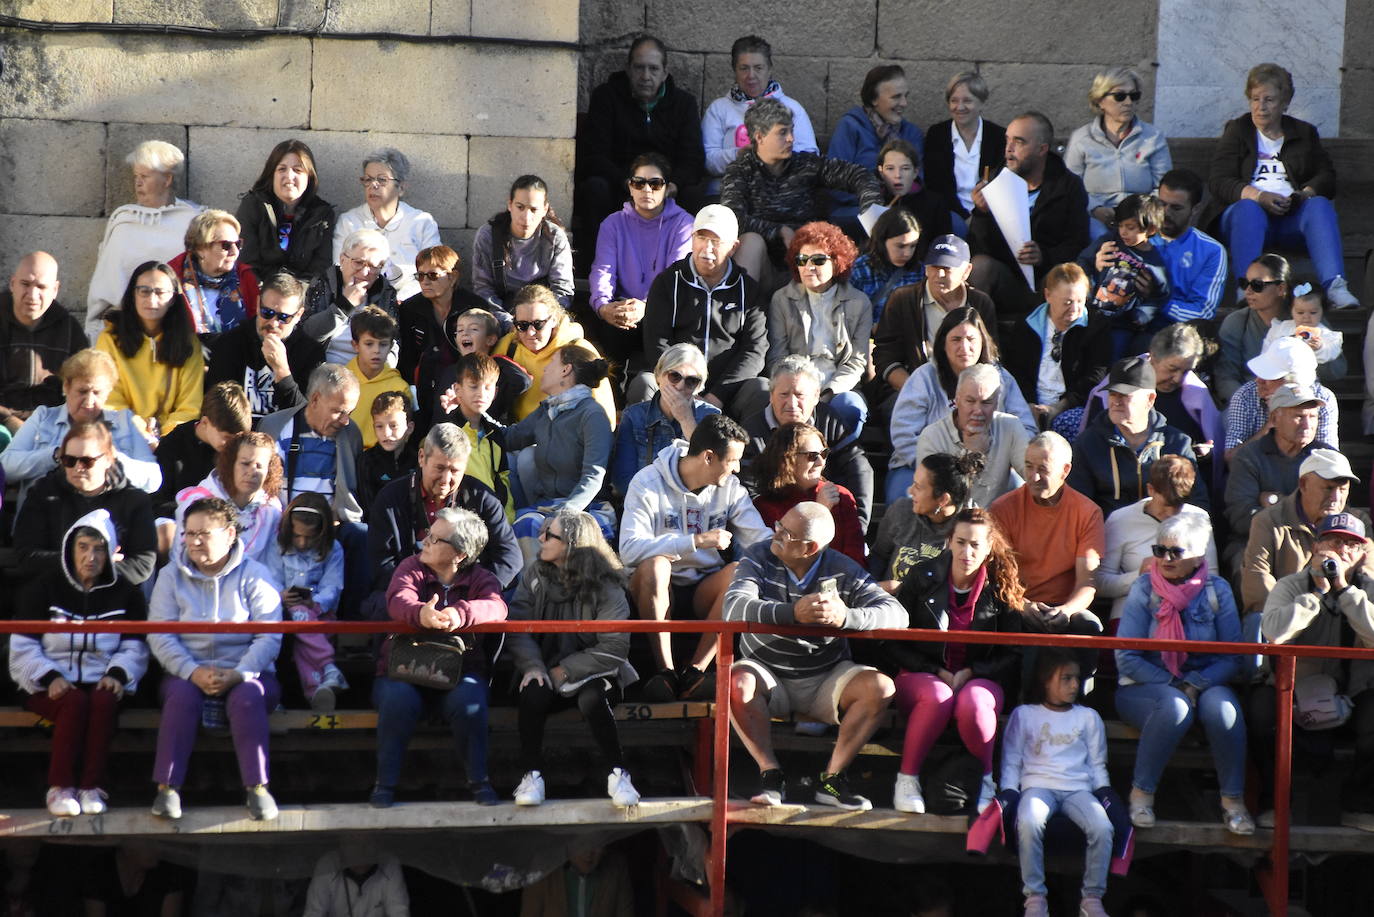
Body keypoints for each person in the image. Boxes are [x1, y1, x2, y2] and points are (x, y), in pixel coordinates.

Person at [725, 502, 907, 811]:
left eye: (786, 531)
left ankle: (832, 779)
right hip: (767, 672)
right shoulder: (758, 555)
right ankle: (770, 774)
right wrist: (791, 613)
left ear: (810, 547)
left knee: (881, 687)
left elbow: (897, 614)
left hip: (826, 676)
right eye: (779, 524)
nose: (776, 533)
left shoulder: (843, 567)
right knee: (737, 682)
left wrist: (845, 616)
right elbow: (733, 608)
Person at [147, 496, 284, 822]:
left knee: (249, 697)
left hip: (248, 672)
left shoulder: (256, 574)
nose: (194, 541)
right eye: (189, 533)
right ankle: (167, 788)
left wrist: (240, 673)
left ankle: (257, 787)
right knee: (180, 698)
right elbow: (160, 634)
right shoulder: (170, 576)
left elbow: (270, 635)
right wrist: (191, 672)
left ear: (230, 535)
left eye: (204, 534)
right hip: (187, 672)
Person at [1115, 514, 1253, 834]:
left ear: (1198, 556)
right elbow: (1127, 658)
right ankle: (1141, 795)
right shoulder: (1143, 588)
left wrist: (1195, 683)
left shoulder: (1218, 590)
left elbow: (1234, 657)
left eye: (1175, 552)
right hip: (1146, 683)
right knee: (1175, 706)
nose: (1165, 559)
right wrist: (1176, 685)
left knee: (1224, 711)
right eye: (1159, 550)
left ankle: (1233, 802)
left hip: (1204, 679)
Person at [9, 509, 148, 816]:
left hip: (101, 679)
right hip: (47, 683)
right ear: (69, 549)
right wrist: (49, 677)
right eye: (83, 547)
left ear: (112, 552)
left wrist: (117, 674)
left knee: (101, 700)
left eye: (99, 549)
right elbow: (22, 648)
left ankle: (91, 787)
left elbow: (135, 646)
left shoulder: (127, 593)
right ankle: (59, 787)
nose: (91, 557)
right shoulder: (43, 589)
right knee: (74, 702)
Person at [620, 414, 769, 699]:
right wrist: (695, 542)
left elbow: (758, 539)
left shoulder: (730, 489)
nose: (737, 469)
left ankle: (695, 672)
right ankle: (664, 672)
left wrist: (792, 548)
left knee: (740, 570)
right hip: (654, 589)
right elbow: (629, 550)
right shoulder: (647, 482)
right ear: (709, 457)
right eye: (733, 460)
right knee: (656, 565)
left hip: (704, 590)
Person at [888, 507, 1025, 814]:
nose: (967, 551)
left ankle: (987, 780)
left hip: (979, 678)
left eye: (976, 544)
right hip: (923, 677)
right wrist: (935, 669)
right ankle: (907, 780)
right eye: (961, 542)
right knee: (939, 695)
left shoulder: (1001, 587)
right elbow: (894, 642)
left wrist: (973, 671)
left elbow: (1013, 652)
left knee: (974, 702)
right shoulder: (922, 576)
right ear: (949, 541)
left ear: (989, 546)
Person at [371, 506, 507, 808]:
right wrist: (421, 614)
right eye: (428, 535)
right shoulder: (410, 567)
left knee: (470, 703)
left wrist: (460, 614)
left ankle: (479, 781)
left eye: (435, 539)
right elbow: (397, 599)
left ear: (459, 554)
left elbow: (496, 606)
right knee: (398, 700)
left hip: (459, 672)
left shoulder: (482, 578)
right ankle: (385, 785)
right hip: (403, 668)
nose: (425, 542)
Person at [508, 511, 641, 808]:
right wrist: (533, 666)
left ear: (572, 544)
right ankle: (532, 776)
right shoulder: (534, 574)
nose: (540, 539)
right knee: (533, 692)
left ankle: (618, 774)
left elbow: (615, 647)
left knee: (593, 697)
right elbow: (517, 627)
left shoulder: (608, 585)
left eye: (549, 534)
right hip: (543, 665)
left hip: (595, 670)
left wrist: (566, 670)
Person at [1208, 63, 1359, 309]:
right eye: (1255, 99)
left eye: (1269, 100)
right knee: (1248, 208)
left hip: (1291, 218)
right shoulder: (1238, 130)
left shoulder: (1304, 132)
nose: (1261, 107)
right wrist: (1258, 196)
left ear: (1285, 103)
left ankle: (1335, 287)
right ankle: (1247, 287)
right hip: (1245, 220)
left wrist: (1304, 195)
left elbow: (1326, 176)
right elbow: (1219, 181)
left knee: (1319, 204)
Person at [1258, 512, 1374, 830]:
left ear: (1362, 553)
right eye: (1333, 540)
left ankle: (1359, 806)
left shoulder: (1369, 589)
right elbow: (1274, 633)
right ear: (1316, 546)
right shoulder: (1290, 585)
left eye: (1351, 544)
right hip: (1294, 689)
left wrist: (1346, 593)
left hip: (1352, 690)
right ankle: (1275, 804)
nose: (1341, 549)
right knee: (1260, 715)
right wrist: (1316, 595)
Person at [722, 98, 884, 286]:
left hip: (809, 263)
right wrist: (779, 231)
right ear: (759, 137)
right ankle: (740, 310)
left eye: (791, 130)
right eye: (782, 133)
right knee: (750, 242)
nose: (791, 138)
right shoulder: (740, 170)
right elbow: (732, 218)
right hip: (765, 266)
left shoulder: (806, 164)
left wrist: (871, 211)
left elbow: (859, 175)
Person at [1001, 649, 1113, 917]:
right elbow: (1012, 760)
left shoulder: (1088, 717)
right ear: (1046, 680)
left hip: (1078, 789)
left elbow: (1098, 764)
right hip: (1037, 786)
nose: (1074, 685)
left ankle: (1092, 899)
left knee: (1102, 827)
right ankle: (1036, 897)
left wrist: (1105, 793)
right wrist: (1008, 792)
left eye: (1077, 678)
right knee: (1028, 821)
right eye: (1066, 678)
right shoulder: (1025, 714)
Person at [635, 205, 770, 418]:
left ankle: (748, 452)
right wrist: (682, 386)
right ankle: (649, 450)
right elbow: (656, 342)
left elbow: (754, 350)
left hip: (727, 391)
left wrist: (715, 396)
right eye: (700, 237)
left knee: (760, 389)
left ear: (733, 247)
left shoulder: (749, 290)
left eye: (716, 242)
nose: (706, 248)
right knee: (644, 384)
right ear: (692, 238)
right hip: (675, 383)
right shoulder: (668, 282)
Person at [889, 307, 1034, 503]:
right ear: (943, 344)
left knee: (1019, 488)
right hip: (920, 465)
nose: (964, 348)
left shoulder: (1002, 379)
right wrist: (948, 469)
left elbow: (1027, 427)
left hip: (992, 468)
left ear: (983, 342)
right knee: (906, 499)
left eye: (971, 339)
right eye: (956, 340)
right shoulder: (924, 378)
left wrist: (1003, 456)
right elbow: (903, 434)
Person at [989, 433, 1106, 675]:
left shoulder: (1087, 512)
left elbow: (1088, 582)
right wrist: (1021, 604)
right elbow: (995, 575)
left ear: (1065, 470)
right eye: (1028, 467)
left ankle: (1079, 703)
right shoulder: (1003, 508)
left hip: (1064, 606)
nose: (1033, 477)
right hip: (1015, 603)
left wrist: (1066, 610)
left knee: (1089, 625)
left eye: (1043, 469)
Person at [368, 422, 522, 594]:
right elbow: (381, 563)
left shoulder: (483, 498)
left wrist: (478, 592)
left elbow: (509, 557)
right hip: (407, 598)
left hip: (467, 597)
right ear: (421, 458)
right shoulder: (389, 499)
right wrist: (415, 600)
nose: (445, 479)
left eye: (455, 471)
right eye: (439, 468)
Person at [1076, 323, 1224, 495]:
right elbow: (1088, 449)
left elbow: (1211, 468)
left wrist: (1204, 457)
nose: (1177, 378)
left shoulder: (1197, 397)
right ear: (1152, 357)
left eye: (1185, 371)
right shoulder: (1115, 388)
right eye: (1172, 369)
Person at [578, 35, 705, 233]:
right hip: (620, 185)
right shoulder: (606, 97)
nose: (645, 76)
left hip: (666, 189)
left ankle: (685, 262)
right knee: (595, 188)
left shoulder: (684, 104)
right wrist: (628, 183)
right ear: (628, 70)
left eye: (653, 69)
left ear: (664, 73)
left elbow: (693, 159)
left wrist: (672, 185)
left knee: (694, 194)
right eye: (639, 67)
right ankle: (595, 261)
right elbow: (594, 154)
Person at [1, 348, 161, 505]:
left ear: (108, 393)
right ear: (66, 387)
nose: (89, 401)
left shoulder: (125, 421)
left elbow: (153, 479)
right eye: (82, 391)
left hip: (108, 520)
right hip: (45, 515)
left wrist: (113, 459)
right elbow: (6, 466)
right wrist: (56, 455)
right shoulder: (43, 418)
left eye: (97, 393)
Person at [968, 112, 1091, 314]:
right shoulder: (998, 181)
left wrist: (1044, 256)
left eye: (1019, 142)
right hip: (1008, 278)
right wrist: (982, 213)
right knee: (980, 266)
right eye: (1007, 140)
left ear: (1042, 149)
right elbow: (979, 248)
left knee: (1058, 277)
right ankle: (976, 338)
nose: (1009, 149)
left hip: (1048, 280)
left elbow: (1078, 244)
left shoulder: (1068, 186)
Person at [14, 420, 157, 585]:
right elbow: (27, 555)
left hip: (112, 594)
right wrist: (88, 563)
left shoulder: (134, 500)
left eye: (87, 461)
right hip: (55, 591)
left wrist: (95, 572)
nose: (77, 468)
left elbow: (142, 564)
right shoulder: (43, 493)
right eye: (69, 460)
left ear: (108, 459)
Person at [505, 343, 616, 554]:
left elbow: (593, 476)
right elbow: (510, 439)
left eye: (551, 363)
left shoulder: (592, 414)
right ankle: (533, 586)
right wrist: (476, 409)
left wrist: (564, 513)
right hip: (548, 505)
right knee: (521, 521)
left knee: (552, 530)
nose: (545, 370)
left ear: (566, 369)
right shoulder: (548, 408)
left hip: (584, 507)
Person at [588, 153, 695, 370]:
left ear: (667, 188)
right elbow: (603, 270)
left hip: (664, 309)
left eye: (655, 184)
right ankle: (612, 393)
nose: (647, 190)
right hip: (623, 307)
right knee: (608, 330)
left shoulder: (684, 224)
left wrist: (647, 306)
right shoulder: (613, 223)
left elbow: (676, 275)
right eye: (639, 183)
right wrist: (603, 306)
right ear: (630, 187)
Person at [85, 140, 201, 340]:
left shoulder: (192, 221)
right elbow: (107, 278)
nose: (138, 182)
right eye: (136, 176)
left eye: (145, 176)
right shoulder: (124, 220)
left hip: (177, 325)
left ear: (167, 180)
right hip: (125, 327)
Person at [766, 221, 872, 438]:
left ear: (837, 262)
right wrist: (800, 391)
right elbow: (778, 355)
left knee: (851, 405)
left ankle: (840, 459)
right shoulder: (782, 299)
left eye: (819, 260)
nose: (808, 267)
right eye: (802, 260)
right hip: (795, 383)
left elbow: (857, 361)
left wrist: (828, 392)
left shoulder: (859, 302)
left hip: (838, 385)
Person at [742, 356, 875, 528]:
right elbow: (750, 494)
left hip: (829, 514)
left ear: (816, 396)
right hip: (770, 526)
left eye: (799, 395)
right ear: (771, 396)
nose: (791, 403)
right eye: (783, 394)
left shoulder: (829, 420)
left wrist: (859, 523)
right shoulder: (751, 432)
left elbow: (857, 466)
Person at [1069, 356, 1205, 516]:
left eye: (1125, 395)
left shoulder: (1177, 443)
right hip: (1110, 536)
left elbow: (1198, 504)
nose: (1116, 402)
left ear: (1150, 399)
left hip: (1166, 533)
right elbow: (1079, 509)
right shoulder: (1088, 444)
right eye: (1113, 394)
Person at [871, 234, 998, 402]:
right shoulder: (903, 299)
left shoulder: (980, 303)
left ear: (966, 271)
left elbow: (990, 356)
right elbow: (885, 356)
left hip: (970, 393)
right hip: (912, 389)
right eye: (933, 266)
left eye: (947, 268)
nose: (939, 274)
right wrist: (915, 389)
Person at [1242, 449, 1371, 613]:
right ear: (1303, 484)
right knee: (1258, 619)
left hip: (1343, 614)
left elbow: (1369, 576)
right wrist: (1295, 615)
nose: (1336, 498)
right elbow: (1258, 582)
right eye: (1328, 488)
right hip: (1288, 612)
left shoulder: (1358, 523)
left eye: (1343, 490)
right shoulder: (1268, 521)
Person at [94, 261, 205, 442]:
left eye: (160, 293)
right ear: (133, 295)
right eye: (144, 291)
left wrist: (164, 440)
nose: (152, 300)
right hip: (122, 435)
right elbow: (110, 401)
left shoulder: (188, 343)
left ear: (173, 300)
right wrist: (145, 436)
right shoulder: (109, 339)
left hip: (174, 441)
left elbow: (190, 408)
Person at [1099, 455, 1217, 623]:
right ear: (1151, 490)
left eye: (1178, 506)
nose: (1171, 515)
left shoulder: (1198, 517)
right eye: (1166, 506)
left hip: (1189, 613)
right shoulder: (1120, 519)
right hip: (1133, 614)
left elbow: (1212, 578)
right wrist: (1139, 575)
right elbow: (1100, 584)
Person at [264, 492, 349, 714]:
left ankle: (316, 690)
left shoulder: (334, 549)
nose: (302, 543)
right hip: (284, 613)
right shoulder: (277, 545)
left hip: (320, 615)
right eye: (297, 536)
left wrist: (314, 603)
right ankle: (327, 673)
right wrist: (279, 596)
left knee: (302, 622)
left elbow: (333, 588)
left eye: (309, 537)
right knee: (299, 619)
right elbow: (270, 580)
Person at [1002, 262, 1112, 432]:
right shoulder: (1027, 324)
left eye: (1080, 301)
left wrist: (1060, 407)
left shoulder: (1096, 326)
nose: (1074, 309)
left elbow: (1095, 377)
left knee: (1069, 425)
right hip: (1028, 403)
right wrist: (1030, 404)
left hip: (1071, 406)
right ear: (1048, 295)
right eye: (1067, 302)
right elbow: (1017, 370)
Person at [702, 35, 819, 194]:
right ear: (734, 70)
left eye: (758, 68)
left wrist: (775, 155)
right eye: (744, 68)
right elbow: (707, 159)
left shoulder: (792, 108)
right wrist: (739, 154)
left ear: (769, 69)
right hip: (727, 192)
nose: (751, 75)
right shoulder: (719, 109)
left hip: (781, 193)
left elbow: (811, 156)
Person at [1064, 67, 1173, 236]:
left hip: (1141, 215)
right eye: (1120, 96)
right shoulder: (1082, 138)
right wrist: (1095, 208)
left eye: (1134, 96)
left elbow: (1164, 185)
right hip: (1097, 216)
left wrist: (1141, 211)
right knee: (1096, 236)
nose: (1128, 102)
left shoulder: (1153, 137)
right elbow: (1070, 185)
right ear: (1100, 100)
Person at [205, 271, 325, 420]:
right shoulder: (230, 342)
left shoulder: (311, 353)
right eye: (267, 312)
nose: (273, 323)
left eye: (283, 317)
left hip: (283, 441)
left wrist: (282, 372)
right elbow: (215, 409)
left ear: (299, 315)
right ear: (257, 304)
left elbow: (306, 420)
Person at [259, 363, 365, 524]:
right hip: (277, 526)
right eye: (339, 412)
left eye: (350, 413)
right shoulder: (273, 427)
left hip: (331, 530)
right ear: (315, 399)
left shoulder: (351, 434)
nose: (345, 421)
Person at [1224, 384, 1328, 547]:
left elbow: (1332, 514)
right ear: (1274, 419)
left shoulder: (1326, 457)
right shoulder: (1248, 457)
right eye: (1299, 417)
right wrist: (1304, 511)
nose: (1308, 425)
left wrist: (1275, 501)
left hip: (1314, 543)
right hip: (1258, 543)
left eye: (1313, 417)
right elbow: (1241, 518)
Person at [916, 364, 1032, 509]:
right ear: (956, 401)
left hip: (998, 522)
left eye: (986, 402)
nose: (978, 410)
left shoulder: (1010, 426)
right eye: (970, 401)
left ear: (996, 404)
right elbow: (936, 503)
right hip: (950, 524)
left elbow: (1032, 475)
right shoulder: (932, 437)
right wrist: (969, 460)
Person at [333, 147, 441, 302]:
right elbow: (339, 268)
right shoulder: (349, 222)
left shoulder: (422, 222)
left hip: (412, 303)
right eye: (368, 179)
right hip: (361, 301)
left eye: (382, 180)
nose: (373, 185)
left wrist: (401, 298)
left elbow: (434, 271)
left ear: (401, 187)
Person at [497, 284, 617, 424]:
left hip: (564, 438)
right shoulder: (508, 346)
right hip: (518, 434)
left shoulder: (578, 350)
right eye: (522, 325)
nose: (530, 332)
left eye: (538, 324)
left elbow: (604, 417)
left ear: (553, 319)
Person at [751, 422, 866, 566]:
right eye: (811, 456)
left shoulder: (840, 496)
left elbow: (855, 559)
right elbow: (781, 562)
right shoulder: (764, 505)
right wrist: (819, 511)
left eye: (824, 454)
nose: (820, 462)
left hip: (840, 583)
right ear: (786, 459)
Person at [611, 343, 719, 496]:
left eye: (691, 381)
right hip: (644, 503)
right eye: (674, 376)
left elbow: (713, 472)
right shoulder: (634, 416)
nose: (681, 386)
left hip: (691, 505)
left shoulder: (710, 416)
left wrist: (687, 420)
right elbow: (623, 478)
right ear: (658, 376)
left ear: (699, 387)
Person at [827, 66, 927, 229]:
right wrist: (875, 198)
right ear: (874, 99)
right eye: (896, 97)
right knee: (891, 222)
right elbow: (835, 181)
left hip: (902, 207)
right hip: (854, 209)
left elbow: (918, 180)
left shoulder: (911, 133)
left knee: (952, 223)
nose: (904, 103)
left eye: (905, 96)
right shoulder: (851, 127)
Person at [398, 244, 487, 426]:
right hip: (422, 382)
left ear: (452, 277)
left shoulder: (474, 306)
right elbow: (407, 357)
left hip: (464, 380)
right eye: (420, 276)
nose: (425, 281)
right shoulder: (410, 309)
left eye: (432, 275)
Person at [870, 451, 983, 591]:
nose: (910, 491)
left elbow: (960, 587)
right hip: (888, 604)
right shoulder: (901, 511)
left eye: (918, 487)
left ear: (943, 499)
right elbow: (878, 556)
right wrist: (871, 590)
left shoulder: (969, 529)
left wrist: (902, 588)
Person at [472, 175, 574, 327]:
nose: (526, 217)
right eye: (520, 207)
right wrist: (507, 322)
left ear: (544, 209)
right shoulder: (488, 235)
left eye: (534, 209)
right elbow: (483, 288)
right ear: (510, 205)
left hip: (544, 317)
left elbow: (563, 289)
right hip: (501, 314)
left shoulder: (554, 238)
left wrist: (544, 322)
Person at [0, 252, 86, 431]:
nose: (32, 295)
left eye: (41, 287)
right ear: (12, 283)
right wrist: (9, 421)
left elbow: (85, 385)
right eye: (25, 284)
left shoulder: (69, 329)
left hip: (53, 424)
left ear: (55, 290)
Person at [1077, 194, 1170, 358]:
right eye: (1120, 226)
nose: (1123, 232)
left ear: (1151, 229)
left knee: (1112, 358)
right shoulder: (1110, 241)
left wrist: (1143, 314)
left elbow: (1160, 295)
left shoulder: (1154, 263)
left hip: (1122, 324)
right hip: (1092, 313)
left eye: (1130, 227)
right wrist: (1088, 286)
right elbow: (1084, 261)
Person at [235, 139, 335, 286]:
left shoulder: (322, 214)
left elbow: (320, 267)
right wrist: (267, 296)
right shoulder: (253, 206)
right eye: (282, 169)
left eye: (298, 170)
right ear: (271, 175)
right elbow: (246, 261)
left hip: (301, 301)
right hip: (258, 295)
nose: (289, 176)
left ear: (309, 177)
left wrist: (296, 297)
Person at [175, 431, 284, 563]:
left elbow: (274, 565)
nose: (252, 472)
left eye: (259, 466)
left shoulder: (272, 510)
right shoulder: (196, 504)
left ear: (269, 472)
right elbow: (180, 559)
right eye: (245, 463)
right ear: (230, 464)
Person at [1223, 334, 1337, 459]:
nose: (1259, 381)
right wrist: (1270, 427)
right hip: (1256, 473)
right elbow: (1231, 458)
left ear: (1293, 384)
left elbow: (1329, 458)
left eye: (1270, 376)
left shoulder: (1323, 398)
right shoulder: (1246, 395)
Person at [301, 229, 400, 366]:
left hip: (368, 375)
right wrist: (344, 305)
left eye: (373, 266)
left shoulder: (385, 292)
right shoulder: (323, 283)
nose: (365, 272)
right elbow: (308, 335)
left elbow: (393, 345)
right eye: (358, 263)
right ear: (342, 260)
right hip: (324, 370)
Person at [153, 380, 251, 519]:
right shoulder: (173, 446)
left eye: (237, 439)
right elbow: (159, 499)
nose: (232, 445)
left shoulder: (239, 448)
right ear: (205, 422)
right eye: (226, 437)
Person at [923, 72, 1007, 222]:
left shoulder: (999, 136)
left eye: (967, 100)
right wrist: (963, 218)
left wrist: (979, 215)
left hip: (989, 215)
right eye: (954, 100)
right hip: (949, 215)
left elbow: (1002, 185)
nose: (959, 107)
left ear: (982, 102)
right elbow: (936, 186)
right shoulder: (937, 135)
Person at [1151, 169, 1229, 328]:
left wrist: (1159, 301)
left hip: (1176, 333)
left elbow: (1202, 313)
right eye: (1162, 204)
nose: (1166, 213)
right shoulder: (1136, 235)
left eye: (1176, 208)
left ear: (1195, 209)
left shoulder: (1212, 251)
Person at [439, 354, 513, 518]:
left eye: (488, 387)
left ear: (495, 392)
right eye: (473, 386)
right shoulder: (447, 432)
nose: (481, 394)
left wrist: (506, 522)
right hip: (457, 520)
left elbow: (503, 481)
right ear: (458, 390)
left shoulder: (496, 435)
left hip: (493, 519)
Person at [432, 306, 531, 426]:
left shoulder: (497, 372)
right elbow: (438, 416)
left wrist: (492, 360)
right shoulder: (451, 371)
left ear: (490, 340)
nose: (465, 333)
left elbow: (522, 381)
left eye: (473, 329)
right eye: (460, 330)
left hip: (487, 436)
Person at [168, 209, 259, 339]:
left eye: (238, 244)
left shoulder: (246, 277)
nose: (234, 252)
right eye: (226, 245)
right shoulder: (172, 277)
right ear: (200, 249)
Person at [1216, 252, 1294, 401]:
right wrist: (1249, 404)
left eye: (1257, 285)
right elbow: (1226, 377)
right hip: (1248, 402)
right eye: (1245, 284)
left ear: (1280, 288)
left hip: (1296, 402)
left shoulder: (1304, 319)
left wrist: (1319, 347)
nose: (1248, 291)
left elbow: (1336, 370)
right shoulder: (1236, 322)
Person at [343, 307, 409, 449]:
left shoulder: (399, 386)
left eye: (383, 344)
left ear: (391, 346)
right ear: (355, 345)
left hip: (383, 461)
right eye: (369, 344)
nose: (376, 350)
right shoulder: (340, 381)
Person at [849, 208, 925, 325]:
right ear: (882, 241)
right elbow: (849, 316)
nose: (907, 253)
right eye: (900, 246)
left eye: (913, 246)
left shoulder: (920, 271)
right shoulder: (860, 270)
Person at [1261, 280, 1346, 385]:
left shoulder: (1327, 335)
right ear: (1291, 310)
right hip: (1280, 380)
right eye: (1300, 312)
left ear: (1322, 311)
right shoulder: (1281, 328)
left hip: (1309, 383)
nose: (1306, 317)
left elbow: (1330, 352)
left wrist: (1319, 348)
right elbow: (1267, 349)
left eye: (1313, 312)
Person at [519, 846, 635, 917]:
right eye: (582, 844)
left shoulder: (616, 868)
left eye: (596, 845)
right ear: (568, 843)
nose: (589, 854)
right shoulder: (544, 869)